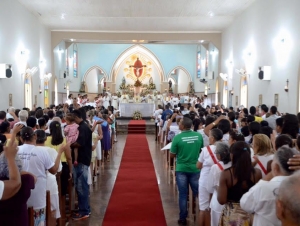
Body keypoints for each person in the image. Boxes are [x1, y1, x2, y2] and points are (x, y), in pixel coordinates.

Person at [18, 127, 66, 225]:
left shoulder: (16, 151)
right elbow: (53, 170)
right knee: (38, 219)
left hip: (20, 191)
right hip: (37, 191)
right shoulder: (42, 152)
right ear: (34, 136)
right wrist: (60, 153)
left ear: (21, 138)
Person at [240, 146, 297, 226]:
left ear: (276, 167)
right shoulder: (297, 187)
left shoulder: (263, 188)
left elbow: (245, 204)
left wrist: (270, 175)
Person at [217, 141, 262, 225]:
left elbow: (221, 200)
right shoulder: (257, 173)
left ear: (232, 155)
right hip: (250, 215)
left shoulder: (226, 174)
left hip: (232, 216)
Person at [170, 117, 203, 225]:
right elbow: (201, 149)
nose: (178, 124)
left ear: (183, 126)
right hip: (195, 168)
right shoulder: (198, 136)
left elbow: (172, 154)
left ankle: (183, 218)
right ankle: (202, 214)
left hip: (182, 168)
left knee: (183, 194)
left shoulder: (178, 138)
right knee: (198, 193)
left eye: (179, 123)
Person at [197, 128, 223, 226]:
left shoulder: (206, 150)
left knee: (203, 208)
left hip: (205, 179)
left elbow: (198, 165)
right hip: (219, 179)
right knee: (214, 206)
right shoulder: (225, 148)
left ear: (212, 138)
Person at [35, 129, 62, 219]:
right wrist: (60, 153)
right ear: (46, 139)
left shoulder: (31, 150)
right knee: (52, 207)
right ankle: (53, 221)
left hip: (35, 182)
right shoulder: (51, 151)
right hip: (49, 180)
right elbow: (58, 169)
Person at [71, 109, 92, 220]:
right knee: (81, 187)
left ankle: (83, 211)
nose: (73, 119)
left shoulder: (83, 128)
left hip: (82, 160)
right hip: (82, 159)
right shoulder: (82, 126)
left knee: (81, 187)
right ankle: (85, 208)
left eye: (74, 117)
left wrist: (69, 144)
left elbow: (80, 143)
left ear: (78, 117)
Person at [206, 142, 231, 226]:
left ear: (219, 156)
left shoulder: (215, 168)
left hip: (217, 202)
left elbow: (209, 188)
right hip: (231, 203)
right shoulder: (234, 166)